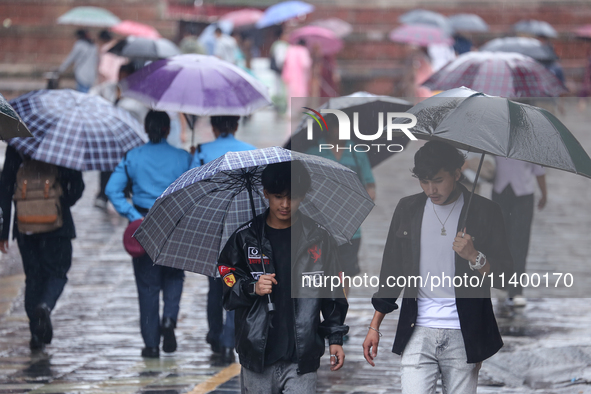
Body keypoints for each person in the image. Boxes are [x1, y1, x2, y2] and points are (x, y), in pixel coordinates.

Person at [362, 141, 513, 394]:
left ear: (457, 173)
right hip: (417, 331)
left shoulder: (485, 212)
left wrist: (475, 257)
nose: (431, 189)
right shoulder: (408, 209)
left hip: (464, 332)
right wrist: (374, 325)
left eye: (438, 180)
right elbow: (392, 272)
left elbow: (508, 278)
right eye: (424, 181)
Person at [218, 161, 348, 392]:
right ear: (265, 193)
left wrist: (335, 338)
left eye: (293, 197)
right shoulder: (244, 238)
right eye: (278, 196)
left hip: (302, 356)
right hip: (257, 355)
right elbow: (227, 284)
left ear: (304, 196)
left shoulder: (319, 238)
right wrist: (252, 287)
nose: (286, 204)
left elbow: (332, 291)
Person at [106, 110, 192, 358]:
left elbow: (112, 190)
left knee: (147, 285)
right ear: (167, 130)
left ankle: (151, 343)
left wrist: (133, 215)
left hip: (143, 224)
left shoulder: (133, 157)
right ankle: (169, 319)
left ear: (147, 129)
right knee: (175, 275)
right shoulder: (183, 157)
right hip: (174, 222)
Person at [0, 146, 84, 351]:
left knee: (33, 277)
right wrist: (59, 202)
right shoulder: (63, 144)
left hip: (25, 224)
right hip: (57, 225)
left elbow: (5, 187)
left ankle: (36, 335)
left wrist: (3, 231)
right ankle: (45, 305)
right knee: (57, 272)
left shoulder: (17, 147)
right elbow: (77, 187)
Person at [191, 115, 255, 363]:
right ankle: (230, 337)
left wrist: (195, 155)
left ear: (214, 127)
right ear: (237, 126)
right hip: (241, 229)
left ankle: (216, 334)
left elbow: (191, 186)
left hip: (212, 229)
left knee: (215, 286)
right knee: (235, 281)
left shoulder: (203, 151)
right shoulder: (250, 152)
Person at [305, 125, 376, 297]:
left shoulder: (356, 152)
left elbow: (370, 188)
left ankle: (339, 313)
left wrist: (355, 207)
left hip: (350, 229)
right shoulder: (313, 151)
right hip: (318, 226)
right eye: (334, 124)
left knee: (345, 273)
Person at [91, 63, 148, 211]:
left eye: (126, 76)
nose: (122, 78)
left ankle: (125, 192)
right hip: (110, 136)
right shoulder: (109, 88)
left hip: (130, 137)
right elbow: (95, 97)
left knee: (128, 166)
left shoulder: (139, 95)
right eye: (121, 75)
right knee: (107, 165)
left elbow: (140, 116)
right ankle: (103, 195)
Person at [492, 157, 547, 307]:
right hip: (499, 193)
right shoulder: (497, 136)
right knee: (499, 240)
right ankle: (502, 283)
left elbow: (539, 171)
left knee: (520, 242)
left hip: (523, 197)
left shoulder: (531, 144)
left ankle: (516, 290)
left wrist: (544, 193)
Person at [282, 39, 312, 115]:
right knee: (300, 94)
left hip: (289, 76)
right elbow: (305, 64)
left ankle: (290, 111)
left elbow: (285, 61)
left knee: (290, 94)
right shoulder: (303, 51)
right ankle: (298, 111)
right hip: (300, 77)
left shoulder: (290, 50)